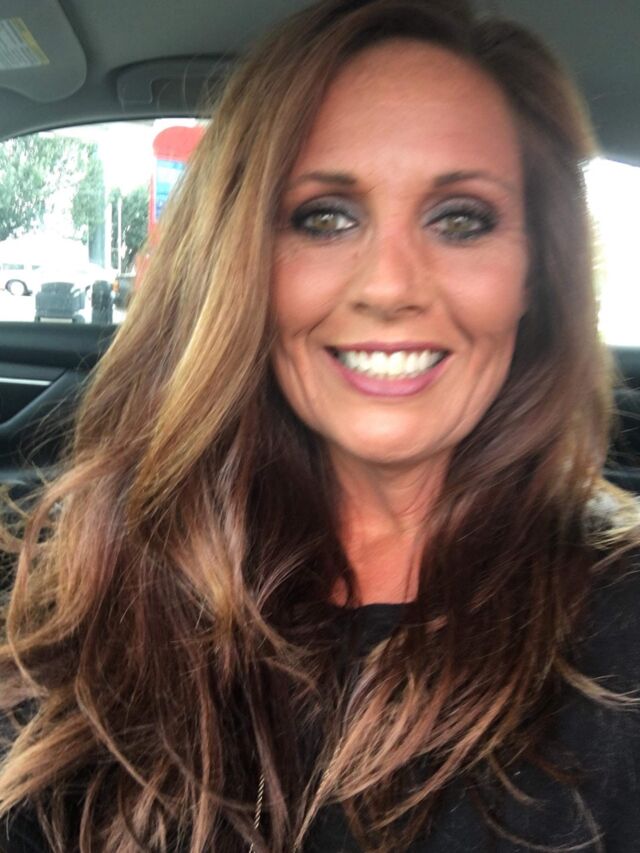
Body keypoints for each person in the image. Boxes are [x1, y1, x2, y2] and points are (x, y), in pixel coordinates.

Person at [1, 0, 639, 850]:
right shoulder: (95, 577)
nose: (390, 285)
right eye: (324, 217)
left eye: (461, 219)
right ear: (242, 265)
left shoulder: (620, 627)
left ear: (536, 275)